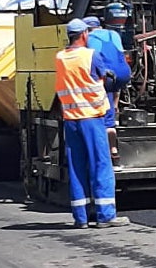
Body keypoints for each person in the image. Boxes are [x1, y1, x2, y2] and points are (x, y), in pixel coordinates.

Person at [55, 18, 128, 229]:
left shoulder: (60, 57)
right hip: (91, 118)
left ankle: (81, 218)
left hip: (71, 120)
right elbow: (104, 75)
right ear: (85, 35)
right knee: (101, 164)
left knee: (77, 167)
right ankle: (105, 215)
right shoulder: (90, 55)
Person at [86, 4, 133, 165]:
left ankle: (105, 152)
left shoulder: (89, 39)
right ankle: (115, 151)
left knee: (101, 114)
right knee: (110, 104)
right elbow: (120, 57)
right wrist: (116, 103)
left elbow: (93, 61)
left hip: (106, 77)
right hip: (124, 74)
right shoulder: (114, 34)